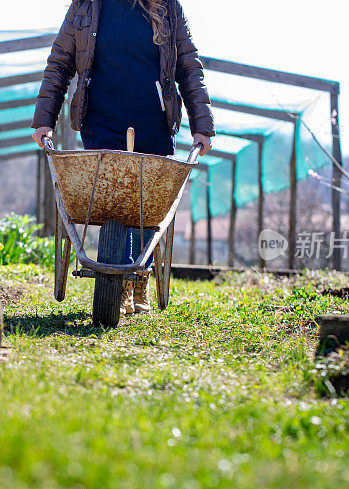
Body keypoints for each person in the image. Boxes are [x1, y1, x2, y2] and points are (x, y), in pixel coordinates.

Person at [32, 0, 215, 315]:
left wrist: (202, 124)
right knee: (113, 201)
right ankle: (120, 285)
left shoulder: (166, 6)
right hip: (101, 119)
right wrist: (44, 118)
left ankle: (140, 277)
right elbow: (60, 61)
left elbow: (187, 64)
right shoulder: (86, 6)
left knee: (147, 203)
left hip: (153, 119)